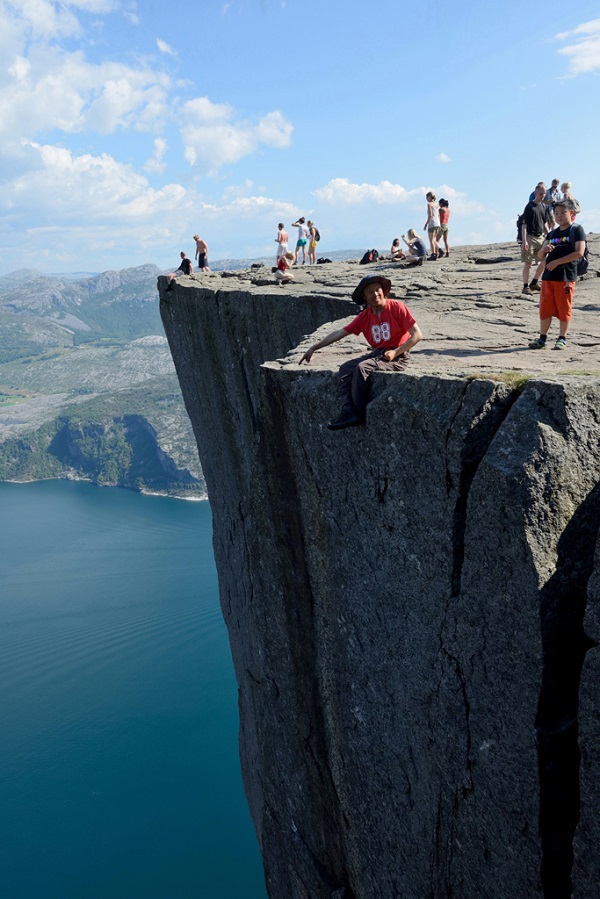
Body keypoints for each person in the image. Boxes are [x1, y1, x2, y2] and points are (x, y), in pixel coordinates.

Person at [300, 274, 423, 430]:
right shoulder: (364, 317)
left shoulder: (397, 307)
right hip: (378, 354)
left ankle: (357, 414)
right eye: (369, 292)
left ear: (383, 291)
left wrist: (396, 352)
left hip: (398, 356)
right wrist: (314, 347)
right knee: (345, 369)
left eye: (377, 290)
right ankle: (347, 411)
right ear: (364, 297)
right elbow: (339, 333)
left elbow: (417, 335)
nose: (375, 294)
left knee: (362, 367)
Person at [528, 199, 585, 351]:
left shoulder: (576, 230)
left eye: (562, 213)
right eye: (556, 213)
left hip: (565, 277)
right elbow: (540, 257)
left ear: (571, 213)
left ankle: (562, 338)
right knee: (545, 309)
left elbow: (579, 252)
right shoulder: (553, 233)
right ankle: (542, 338)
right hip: (548, 277)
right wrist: (544, 249)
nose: (558, 216)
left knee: (563, 308)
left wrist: (558, 262)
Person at [520, 184, 551, 295]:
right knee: (528, 263)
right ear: (535, 193)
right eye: (540, 194)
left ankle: (534, 282)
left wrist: (549, 235)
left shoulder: (544, 207)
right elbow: (524, 225)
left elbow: (545, 223)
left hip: (540, 237)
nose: (542, 196)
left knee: (544, 261)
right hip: (529, 237)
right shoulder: (529, 206)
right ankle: (525, 286)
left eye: (544, 194)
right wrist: (524, 240)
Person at [424, 192, 440, 261]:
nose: (426, 199)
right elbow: (438, 215)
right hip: (437, 222)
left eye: (427, 197)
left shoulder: (429, 204)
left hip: (432, 223)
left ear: (429, 197)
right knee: (434, 239)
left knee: (431, 240)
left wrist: (426, 224)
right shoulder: (436, 205)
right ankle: (439, 250)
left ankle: (433, 254)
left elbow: (430, 215)